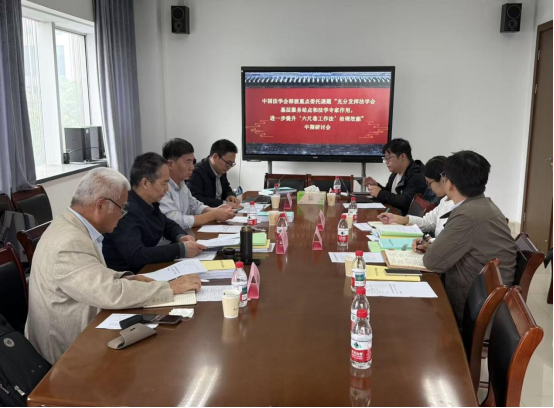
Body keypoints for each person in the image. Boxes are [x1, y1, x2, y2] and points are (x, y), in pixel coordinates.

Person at [25, 168, 202, 364]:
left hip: (90, 322)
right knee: (159, 357)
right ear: (101, 205)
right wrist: (169, 288)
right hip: (68, 351)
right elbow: (109, 293)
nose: (123, 215)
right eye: (122, 208)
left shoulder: (75, 225)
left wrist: (126, 278)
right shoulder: (69, 242)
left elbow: (92, 275)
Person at [417, 151, 517, 325]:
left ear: (449, 183)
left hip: (475, 308)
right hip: (486, 296)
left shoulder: (467, 215)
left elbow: (432, 261)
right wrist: (432, 244)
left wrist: (431, 247)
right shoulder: (482, 204)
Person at [103, 153, 207, 273]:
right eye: (164, 183)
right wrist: (180, 249)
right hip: (129, 276)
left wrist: (181, 237)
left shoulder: (149, 203)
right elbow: (136, 255)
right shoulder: (125, 210)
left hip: (147, 269)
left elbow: (168, 225)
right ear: (145, 183)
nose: (167, 189)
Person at [160, 138, 235, 231]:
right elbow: (177, 221)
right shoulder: (161, 188)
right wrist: (213, 215)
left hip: (185, 234)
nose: (192, 167)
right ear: (170, 164)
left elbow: (195, 206)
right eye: (188, 162)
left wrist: (217, 210)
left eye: (193, 162)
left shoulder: (181, 184)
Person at [378, 156, 454, 239]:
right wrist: (396, 218)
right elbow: (427, 222)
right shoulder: (445, 200)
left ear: (443, 179)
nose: (429, 188)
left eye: (429, 183)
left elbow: (449, 241)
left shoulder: (457, 206)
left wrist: (428, 241)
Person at [363, 138, 429, 215]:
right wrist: (377, 186)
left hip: (406, 219)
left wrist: (380, 193)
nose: (386, 162)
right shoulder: (395, 173)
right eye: (385, 158)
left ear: (402, 156)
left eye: (389, 158)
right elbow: (390, 193)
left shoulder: (417, 175)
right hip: (393, 215)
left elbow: (407, 202)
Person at [187, 139, 242, 209]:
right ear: (215, 157)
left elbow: (226, 188)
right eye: (228, 163)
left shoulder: (221, 169)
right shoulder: (197, 172)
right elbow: (195, 199)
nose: (229, 167)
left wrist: (230, 195)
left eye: (232, 164)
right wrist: (223, 203)